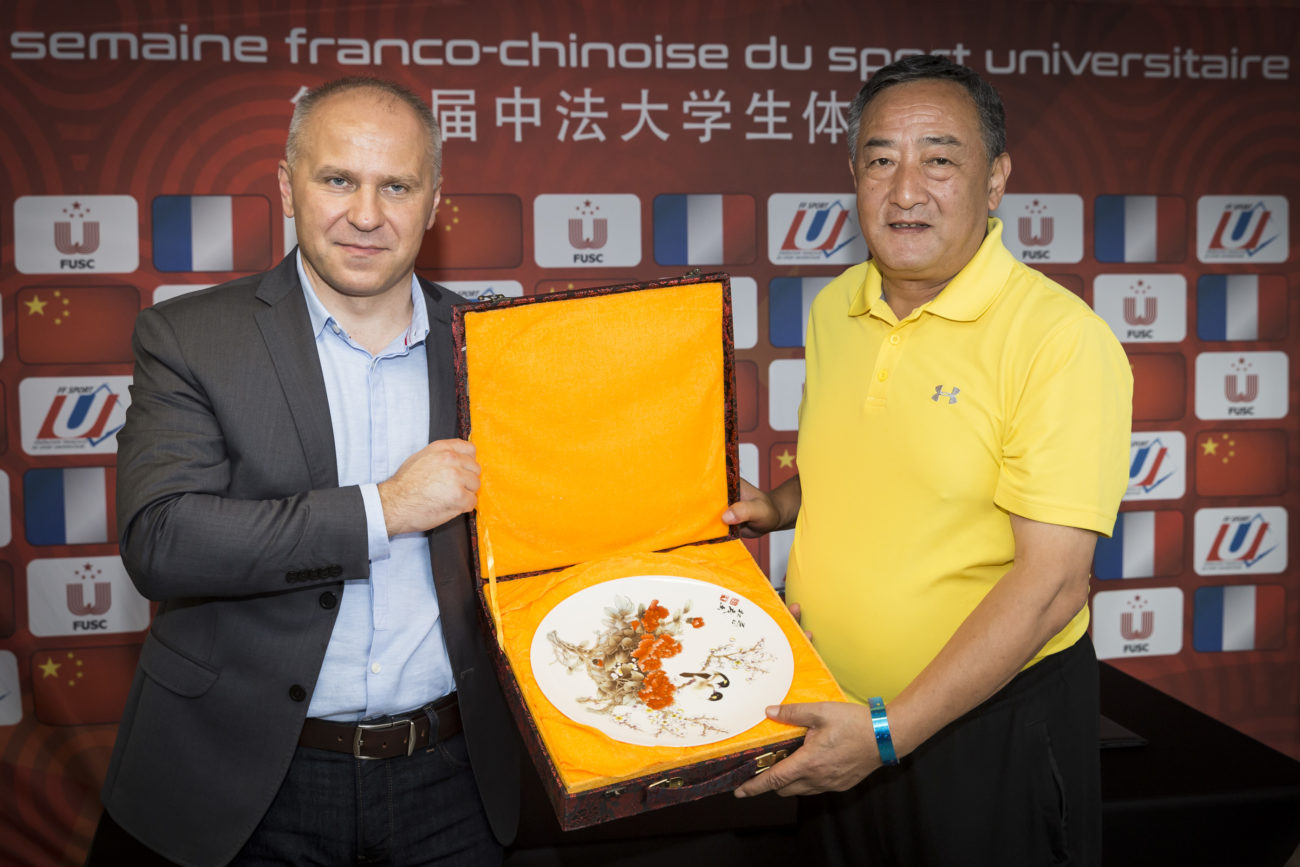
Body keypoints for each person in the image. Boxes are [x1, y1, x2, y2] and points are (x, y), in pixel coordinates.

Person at [86, 77, 518, 866]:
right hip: (243, 780)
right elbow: (163, 539)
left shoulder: (496, 345)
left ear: (434, 202)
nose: (366, 214)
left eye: (397, 186)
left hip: (453, 780)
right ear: (288, 188)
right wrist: (384, 508)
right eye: (338, 180)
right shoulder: (190, 338)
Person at [726, 55, 1132, 866]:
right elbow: (880, 461)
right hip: (836, 715)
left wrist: (889, 732)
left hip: (985, 734)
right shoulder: (835, 307)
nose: (905, 190)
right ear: (854, 176)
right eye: (881, 160)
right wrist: (779, 504)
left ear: (996, 180)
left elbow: (1053, 584)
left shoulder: (1058, 339)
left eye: (939, 159)